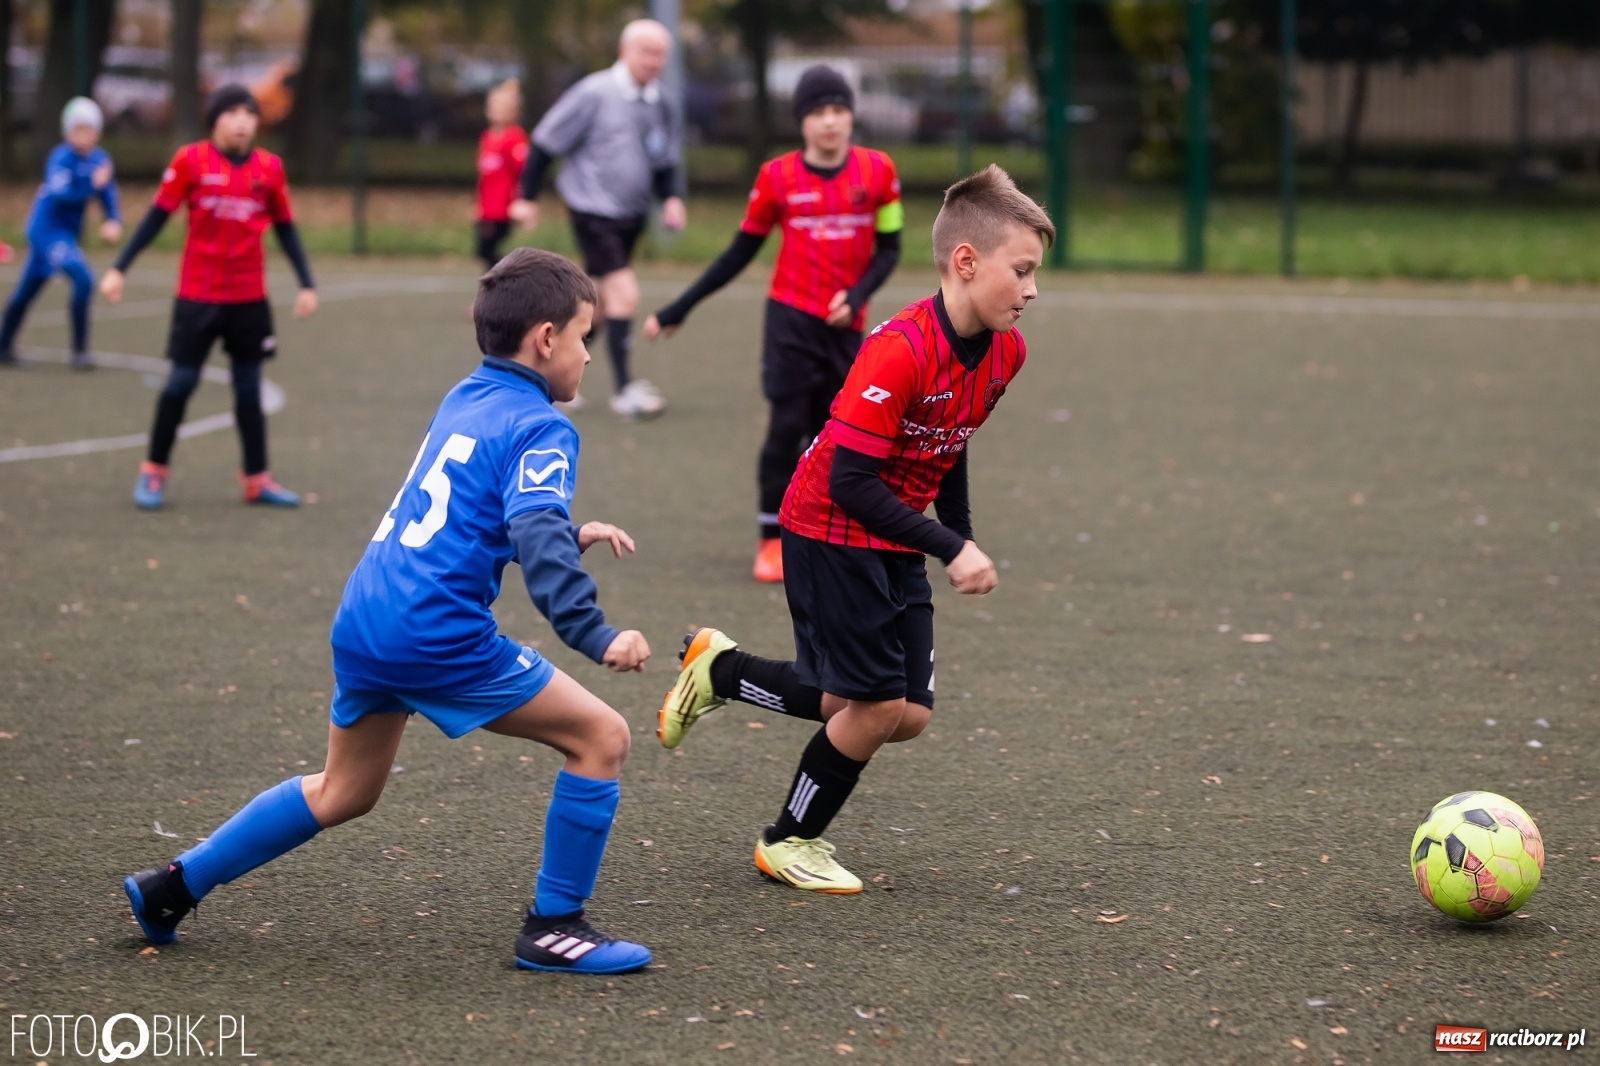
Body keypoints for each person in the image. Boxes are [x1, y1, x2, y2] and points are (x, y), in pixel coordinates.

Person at [123, 247, 656, 975]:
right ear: (545, 338)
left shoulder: (465, 395)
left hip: (368, 615)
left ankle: (172, 886)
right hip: (434, 632)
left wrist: (565, 530)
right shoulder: (544, 426)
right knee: (602, 737)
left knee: (343, 790)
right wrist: (596, 634)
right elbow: (530, 529)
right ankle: (555, 927)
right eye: (583, 336)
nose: (589, 355)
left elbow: (471, 510)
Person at [655, 166, 1055, 894]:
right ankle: (788, 840)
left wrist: (960, 532)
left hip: (893, 532)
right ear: (966, 262)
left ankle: (721, 671)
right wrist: (950, 546)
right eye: (1022, 271)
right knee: (873, 707)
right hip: (829, 529)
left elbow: (951, 437)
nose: (1032, 290)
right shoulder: (898, 349)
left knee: (903, 714)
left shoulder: (1006, 352)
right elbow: (849, 483)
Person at [644, 65, 901, 583]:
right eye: (818, 112)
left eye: (838, 110)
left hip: (846, 328)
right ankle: (770, 541)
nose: (829, 121)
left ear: (850, 116)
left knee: (836, 436)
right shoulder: (776, 178)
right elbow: (739, 252)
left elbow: (890, 248)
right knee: (786, 428)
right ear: (801, 120)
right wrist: (680, 307)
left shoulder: (878, 172)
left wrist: (857, 296)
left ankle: (828, 534)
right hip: (790, 322)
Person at [101, 84, 317, 511]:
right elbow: (156, 217)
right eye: (231, 112)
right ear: (214, 119)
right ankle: (153, 470)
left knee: (248, 390)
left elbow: (286, 228)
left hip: (249, 298)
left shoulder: (269, 168)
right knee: (180, 383)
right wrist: (118, 268)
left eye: (249, 113)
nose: (242, 122)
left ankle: (256, 478)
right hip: (198, 297)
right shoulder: (190, 161)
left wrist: (306, 283)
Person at [509, 18, 684, 420]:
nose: (653, 61)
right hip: (592, 210)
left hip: (630, 215)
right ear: (625, 52)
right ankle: (624, 391)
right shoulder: (595, 93)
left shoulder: (661, 102)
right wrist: (527, 197)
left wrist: (671, 198)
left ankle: (547, 379)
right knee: (624, 294)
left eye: (660, 54)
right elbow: (545, 142)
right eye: (646, 52)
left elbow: (664, 160)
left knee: (597, 307)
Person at [0, 97, 121, 370]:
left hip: (64, 234)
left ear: (97, 131)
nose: (82, 135)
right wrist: (92, 185)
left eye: (88, 129)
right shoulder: (60, 158)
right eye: (77, 129)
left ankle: (2, 346)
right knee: (83, 279)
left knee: (25, 292)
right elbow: (61, 195)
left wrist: (113, 220)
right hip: (45, 232)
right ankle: (80, 352)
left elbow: (108, 193)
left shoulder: (100, 160)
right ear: (67, 131)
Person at [476, 79, 529, 272]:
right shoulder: (487, 136)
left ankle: (508, 276)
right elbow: (483, 177)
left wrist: (522, 201)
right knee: (482, 250)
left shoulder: (515, 138)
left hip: (502, 208)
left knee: (487, 249)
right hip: (486, 208)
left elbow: (523, 172)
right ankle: (497, 281)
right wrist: (477, 204)